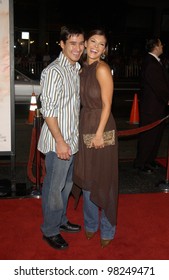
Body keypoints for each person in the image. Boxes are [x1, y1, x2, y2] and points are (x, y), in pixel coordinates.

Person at [37, 25, 85, 250]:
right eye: (72, 43)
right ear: (62, 44)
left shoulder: (75, 69)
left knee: (65, 186)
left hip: (70, 142)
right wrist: (60, 141)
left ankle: (60, 220)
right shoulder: (54, 71)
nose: (78, 48)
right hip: (59, 143)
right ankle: (50, 230)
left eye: (81, 43)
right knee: (54, 188)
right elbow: (48, 110)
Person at [72, 28, 119, 248]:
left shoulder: (102, 69)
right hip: (85, 125)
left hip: (102, 126)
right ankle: (91, 224)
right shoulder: (82, 69)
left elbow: (108, 105)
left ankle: (108, 228)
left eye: (101, 44)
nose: (96, 46)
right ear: (86, 43)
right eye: (93, 41)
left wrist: (100, 133)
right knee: (87, 177)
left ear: (104, 49)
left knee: (105, 179)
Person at [134, 37, 169, 174]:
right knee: (148, 136)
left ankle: (150, 160)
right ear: (155, 46)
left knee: (156, 136)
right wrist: (167, 98)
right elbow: (158, 86)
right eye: (161, 44)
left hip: (158, 107)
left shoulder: (155, 61)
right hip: (151, 108)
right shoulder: (151, 63)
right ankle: (141, 163)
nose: (162, 46)